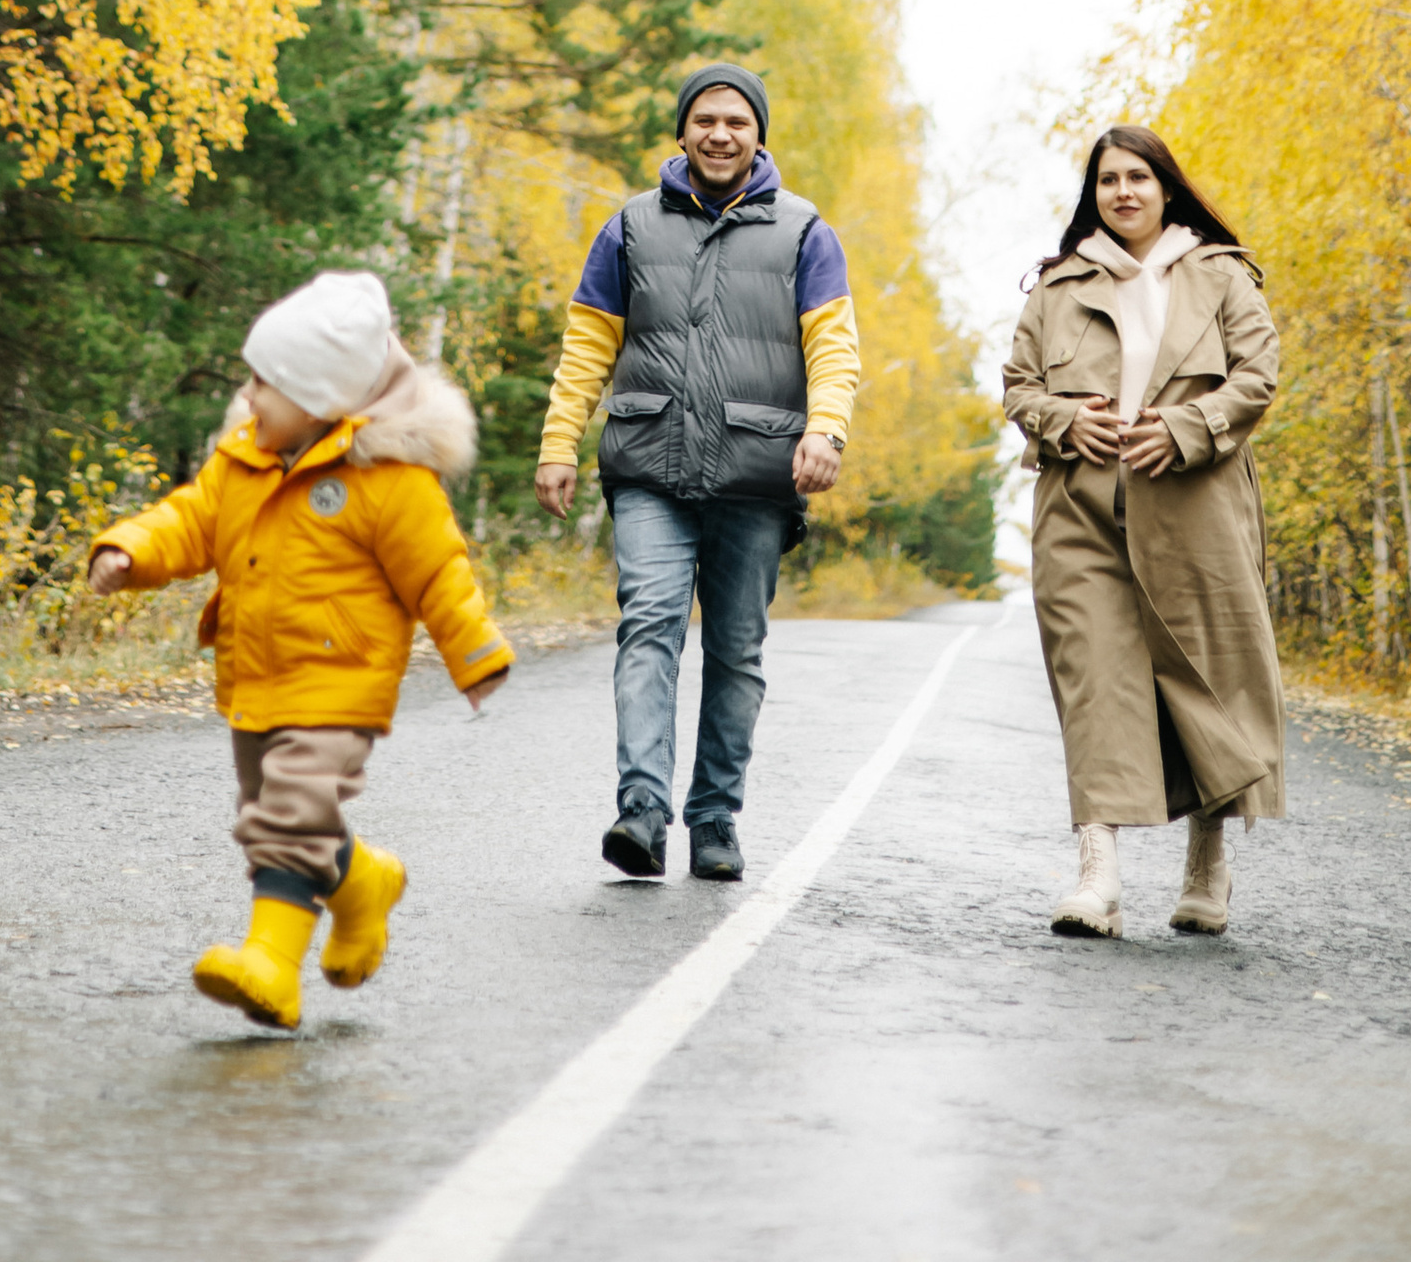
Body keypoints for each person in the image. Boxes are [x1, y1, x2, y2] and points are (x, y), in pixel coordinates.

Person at [86, 265, 512, 1032]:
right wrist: (131, 550)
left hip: (339, 685)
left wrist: (473, 653)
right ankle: (362, 885)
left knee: (285, 816)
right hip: (255, 678)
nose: (247, 396)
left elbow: (438, 570)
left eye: (264, 383)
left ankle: (271, 968)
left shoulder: (388, 480)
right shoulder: (241, 462)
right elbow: (187, 521)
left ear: (320, 400)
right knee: (284, 818)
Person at [533, 62, 861, 882]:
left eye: (737, 122)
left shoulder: (804, 231)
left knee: (737, 651)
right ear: (682, 132)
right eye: (705, 120)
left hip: (756, 471)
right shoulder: (630, 228)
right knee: (649, 623)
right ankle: (642, 809)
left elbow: (834, 346)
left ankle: (715, 818)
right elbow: (587, 348)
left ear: (759, 135)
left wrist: (827, 430)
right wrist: (557, 442)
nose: (720, 134)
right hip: (649, 462)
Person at [1002, 123, 1285, 940]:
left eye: (1138, 178)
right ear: (1093, 195)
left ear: (1167, 187)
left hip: (1196, 513)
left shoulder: (1223, 275)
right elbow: (1019, 385)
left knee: (1206, 682)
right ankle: (1100, 877)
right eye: (1107, 181)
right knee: (1094, 680)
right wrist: (1060, 421)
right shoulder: (1057, 286)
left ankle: (1207, 864)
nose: (1122, 192)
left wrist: (1187, 427)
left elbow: (1259, 376)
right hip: (1081, 517)